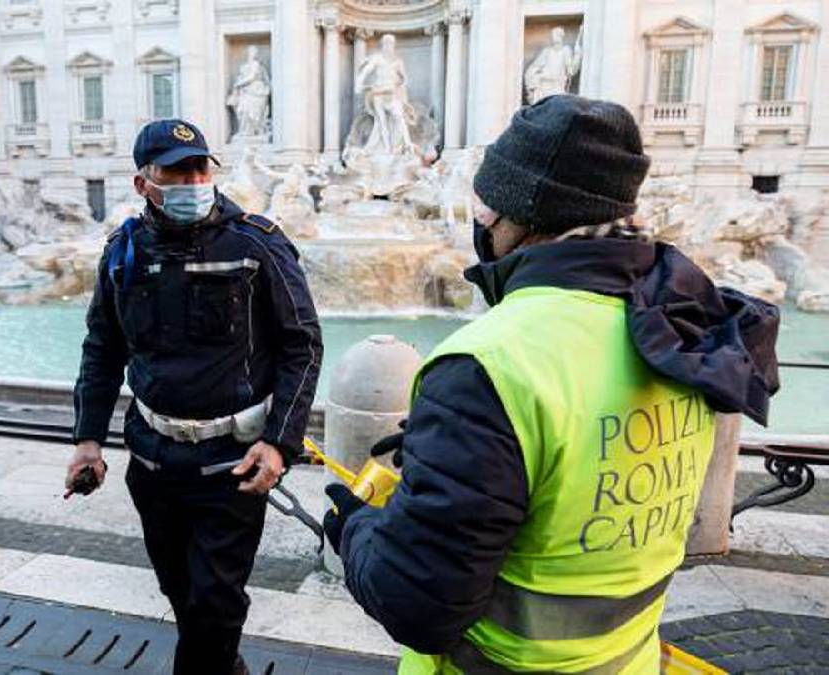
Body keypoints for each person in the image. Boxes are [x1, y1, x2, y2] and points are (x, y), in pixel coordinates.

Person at [323, 95, 781, 673]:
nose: (479, 217)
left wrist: (357, 533)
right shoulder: (688, 326)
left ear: (521, 216)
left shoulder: (488, 362)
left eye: (486, 203)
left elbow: (421, 607)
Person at [68, 118, 323, 675]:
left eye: (200, 167)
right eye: (175, 171)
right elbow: (102, 347)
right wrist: (88, 440)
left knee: (214, 606)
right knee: (183, 596)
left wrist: (280, 444)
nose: (192, 179)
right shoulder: (121, 251)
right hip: (154, 462)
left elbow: (301, 345)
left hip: (231, 466)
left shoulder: (257, 243)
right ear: (143, 184)